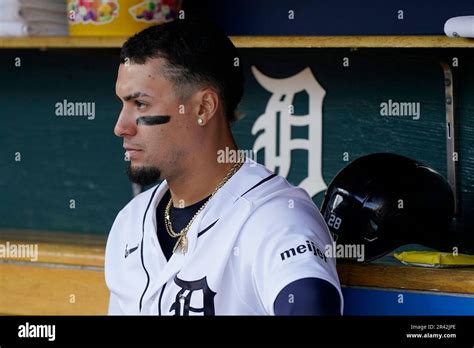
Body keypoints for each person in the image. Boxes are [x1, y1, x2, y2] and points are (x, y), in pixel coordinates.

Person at [105, 19, 343, 315]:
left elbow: (310, 301)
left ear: (203, 107)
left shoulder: (274, 217)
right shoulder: (130, 221)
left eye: (140, 104)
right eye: (123, 104)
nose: (121, 126)